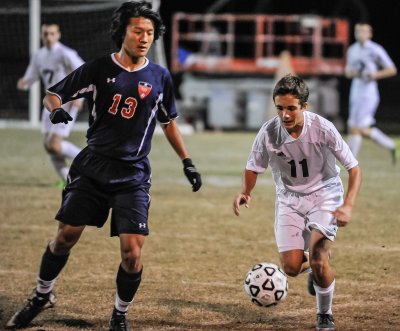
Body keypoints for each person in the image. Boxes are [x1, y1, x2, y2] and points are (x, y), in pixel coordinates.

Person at [6, 2, 202, 331]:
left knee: (132, 253)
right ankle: (42, 295)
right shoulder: (99, 68)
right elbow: (53, 94)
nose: (144, 38)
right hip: (93, 167)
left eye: (150, 33)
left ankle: (119, 314)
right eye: (137, 31)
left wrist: (187, 161)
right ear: (122, 32)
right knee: (65, 237)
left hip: (133, 175)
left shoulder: (160, 76)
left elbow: (168, 122)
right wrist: (55, 111)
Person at [233, 74, 361, 331]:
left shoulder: (323, 129)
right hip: (289, 200)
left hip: (325, 195)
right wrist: (246, 192)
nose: (285, 114)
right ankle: (318, 261)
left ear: (304, 106)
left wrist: (347, 205)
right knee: (291, 267)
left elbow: (354, 168)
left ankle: (324, 313)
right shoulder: (268, 132)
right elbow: (253, 166)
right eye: (280, 108)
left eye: (291, 108)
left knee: (317, 259)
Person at [17, 23, 85, 187]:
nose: (48, 37)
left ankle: (91, 162)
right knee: (48, 146)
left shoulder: (65, 53)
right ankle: (70, 180)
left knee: (54, 144)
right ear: (41, 35)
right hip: (50, 102)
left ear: (58, 35)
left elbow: (84, 70)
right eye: (45, 34)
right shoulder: (39, 55)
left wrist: (80, 96)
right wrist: (24, 83)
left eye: (52, 33)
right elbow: (32, 75)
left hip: (66, 102)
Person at [345, 22, 397, 164]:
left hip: (369, 91)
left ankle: (350, 161)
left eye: (363, 31)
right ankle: (391, 145)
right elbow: (347, 71)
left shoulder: (376, 49)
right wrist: (352, 73)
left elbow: (392, 69)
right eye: (357, 31)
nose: (360, 34)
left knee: (357, 127)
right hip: (356, 88)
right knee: (358, 127)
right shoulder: (352, 50)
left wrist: (376, 75)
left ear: (370, 34)